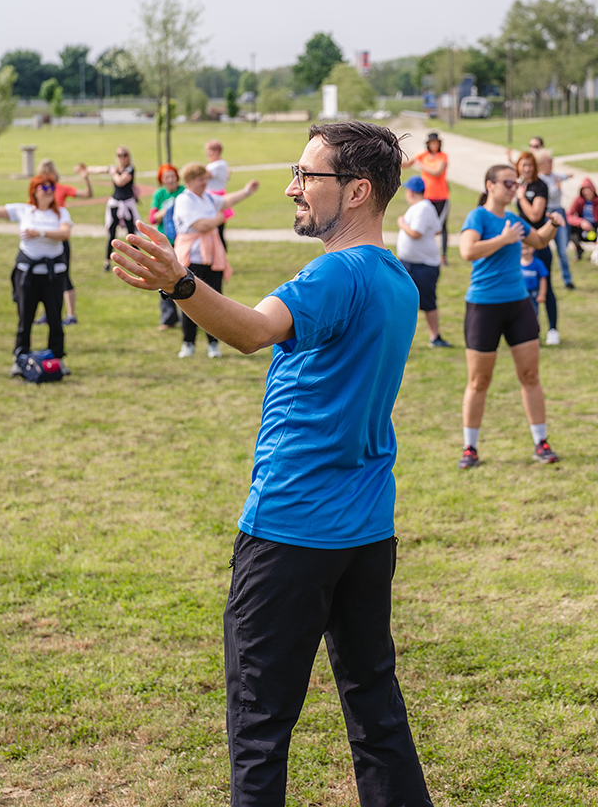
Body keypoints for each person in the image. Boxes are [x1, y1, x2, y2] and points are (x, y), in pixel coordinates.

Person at [108, 120, 433, 806]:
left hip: (291, 531)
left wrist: (180, 283)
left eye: (307, 175)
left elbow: (254, 331)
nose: (293, 187)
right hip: (366, 532)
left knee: (259, 728)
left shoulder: (335, 273)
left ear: (357, 191)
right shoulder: (397, 279)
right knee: (375, 709)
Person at [459, 163, 565, 469]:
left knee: (530, 376)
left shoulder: (514, 220)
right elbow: (467, 251)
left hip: (518, 305)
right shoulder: (478, 217)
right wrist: (503, 240)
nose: (513, 188)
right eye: (507, 183)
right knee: (479, 380)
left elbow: (539, 240)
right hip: (484, 306)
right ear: (490, 185)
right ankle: (470, 448)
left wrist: (553, 224)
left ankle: (541, 442)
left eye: (515, 183)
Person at [0, 178, 75, 368]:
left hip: (53, 275)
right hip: (27, 275)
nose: (49, 190)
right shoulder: (24, 210)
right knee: (25, 317)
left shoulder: (61, 212)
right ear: (34, 191)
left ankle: (57, 359)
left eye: (52, 187)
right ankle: (20, 358)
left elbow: (64, 233)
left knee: (54, 318)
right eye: (44, 187)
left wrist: (39, 233)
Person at [172, 162, 260, 358]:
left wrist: (246, 191)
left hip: (212, 256)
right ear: (189, 181)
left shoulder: (206, 197)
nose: (205, 182)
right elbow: (202, 225)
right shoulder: (184, 200)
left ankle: (213, 344)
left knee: (215, 301)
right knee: (189, 300)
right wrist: (219, 219)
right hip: (192, 257)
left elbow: (225, 201)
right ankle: (188, 343)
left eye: (205, 178)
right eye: (200, 179)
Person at [34, 158, 93, 324]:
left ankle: (71, 315)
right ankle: (49, 313)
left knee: (64, 277)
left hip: (60, 240)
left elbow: (87, 194)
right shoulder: (38, 192)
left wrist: (85, 178)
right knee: (46, 278)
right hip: (45, 241)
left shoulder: (61, 188)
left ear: (54, 174)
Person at [396, 175, 450, 347]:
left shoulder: (423, 208)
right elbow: (437, 230)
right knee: (403, 301)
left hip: (423, 266)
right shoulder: (421, 207)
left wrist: (401, 223)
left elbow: (416, 233)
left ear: (411, 192)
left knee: (427, 302)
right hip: (411, 263)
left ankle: (435, 337)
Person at [514, 152, 560, 345]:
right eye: (523, 165)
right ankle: (526, 330)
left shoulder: (540, 186)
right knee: (521, 287)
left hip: (539, 244)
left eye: (530, 165)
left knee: (545, 287)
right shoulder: (519, 185)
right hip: (521, 245)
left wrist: (521, 198)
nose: (526, 169)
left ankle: (553, 329)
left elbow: (535, 215)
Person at [85, 146, 138, 270]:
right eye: (119, 155)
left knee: (131, 235)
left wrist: (113, 172)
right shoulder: (114, 168)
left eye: (124, 155)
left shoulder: (130, 169)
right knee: (111, 233)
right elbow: (99, 169)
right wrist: (86, 170)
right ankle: (107, 261)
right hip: (115, 204)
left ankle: (139, 260)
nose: (122, 158)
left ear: (128, 156)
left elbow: (120, 181)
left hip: (127, 205)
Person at [149, 163, 184, 330]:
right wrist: (167, 210)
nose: (170, 180)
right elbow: (152, 218)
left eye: (172, 176)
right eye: (166, 178)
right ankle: (168, 318)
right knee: (165, 279)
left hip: (182, 241)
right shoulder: (159, 194)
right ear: (161, 180)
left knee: (184, 278)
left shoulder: (183, 192)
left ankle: (189, 318)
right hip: (165, 242)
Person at [405, 132, 451, 261]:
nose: (434, 145)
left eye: (436, 143)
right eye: (432, 143)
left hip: (441, 196)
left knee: (441, 226)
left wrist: (422, 165)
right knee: (424, 224)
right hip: (427, 197)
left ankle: (443, 255)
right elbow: (408, 163)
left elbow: (437, 172)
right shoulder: (423, 155)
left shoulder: (443, 156)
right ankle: (424, 251)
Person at [536, 151, 575, 290]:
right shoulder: (540, 180)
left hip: (559, 212)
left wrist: (568, 175)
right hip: (548, 213)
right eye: (549, 161)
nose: (551, 163)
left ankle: (567, 280)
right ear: (541, 164)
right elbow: (550, 195)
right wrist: (557, 187)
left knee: (562, 250)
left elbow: (562, 176)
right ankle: (541, 280)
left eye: (552, 160)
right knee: (542, 248)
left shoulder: (554, 176)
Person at [567, 178, 598, 259]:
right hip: (583, 228)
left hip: (596, 226)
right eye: (584, 190)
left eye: (588, 190)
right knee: (569, 228)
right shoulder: (578, 200)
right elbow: (568, 215)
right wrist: (581, 222)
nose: (587, 192)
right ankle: (578, 249)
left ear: (593, 190)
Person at [205, 139, 233, 248]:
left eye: (210, 150)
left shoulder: (217, 165)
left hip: (215, 199)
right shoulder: (220, 164)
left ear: (217, 151)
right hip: (213, 197)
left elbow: (203, 175)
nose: (208, 153)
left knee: (218, 231)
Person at [520, 243, 549, 319]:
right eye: (523, 248)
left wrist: (542, 294)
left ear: (533, 248)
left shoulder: (538, 263)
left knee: (533, 313)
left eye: (528, 248)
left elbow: (543, 279)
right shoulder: (517, 263)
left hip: (533, 294)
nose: (525, 251)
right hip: (521, 294)